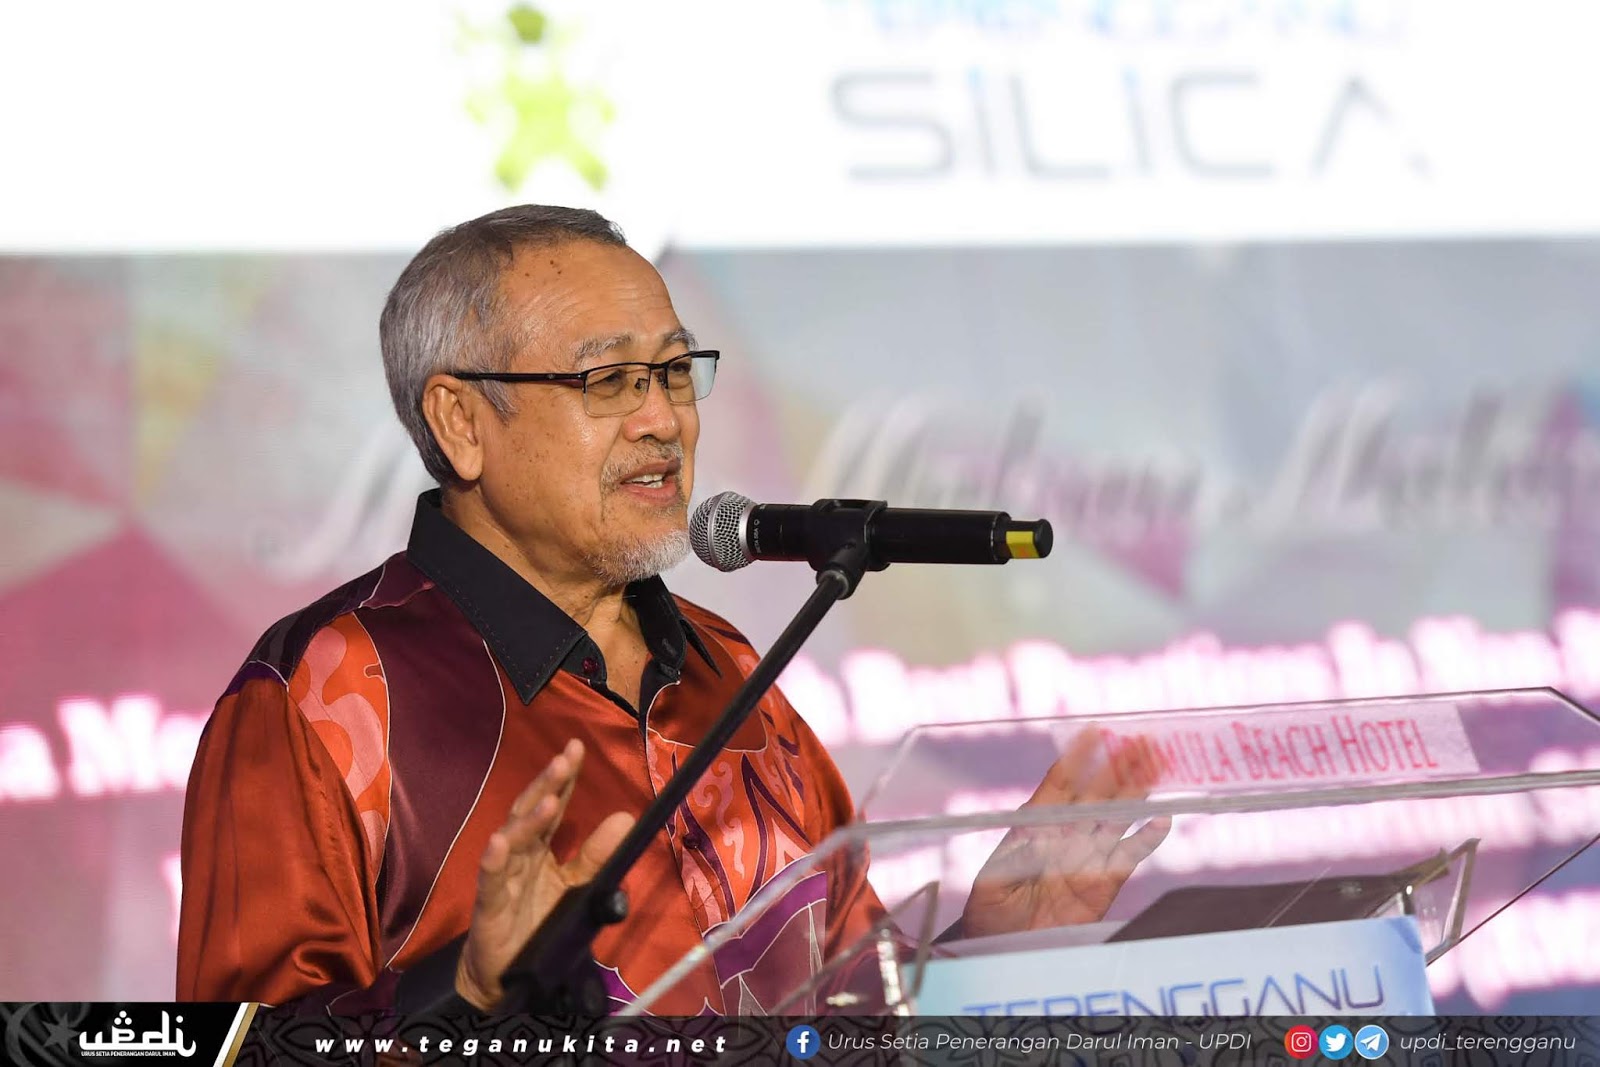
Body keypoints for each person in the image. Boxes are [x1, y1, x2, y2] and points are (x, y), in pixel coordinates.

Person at [177, 205, 1166, 1014]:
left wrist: (982, 950)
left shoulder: (726, 663)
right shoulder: (327, 692)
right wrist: (469, 993)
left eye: (674, 371)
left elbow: (837, 1011)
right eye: (608, 379)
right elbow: (238, 1049)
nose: (663, 418)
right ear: (461, 421)